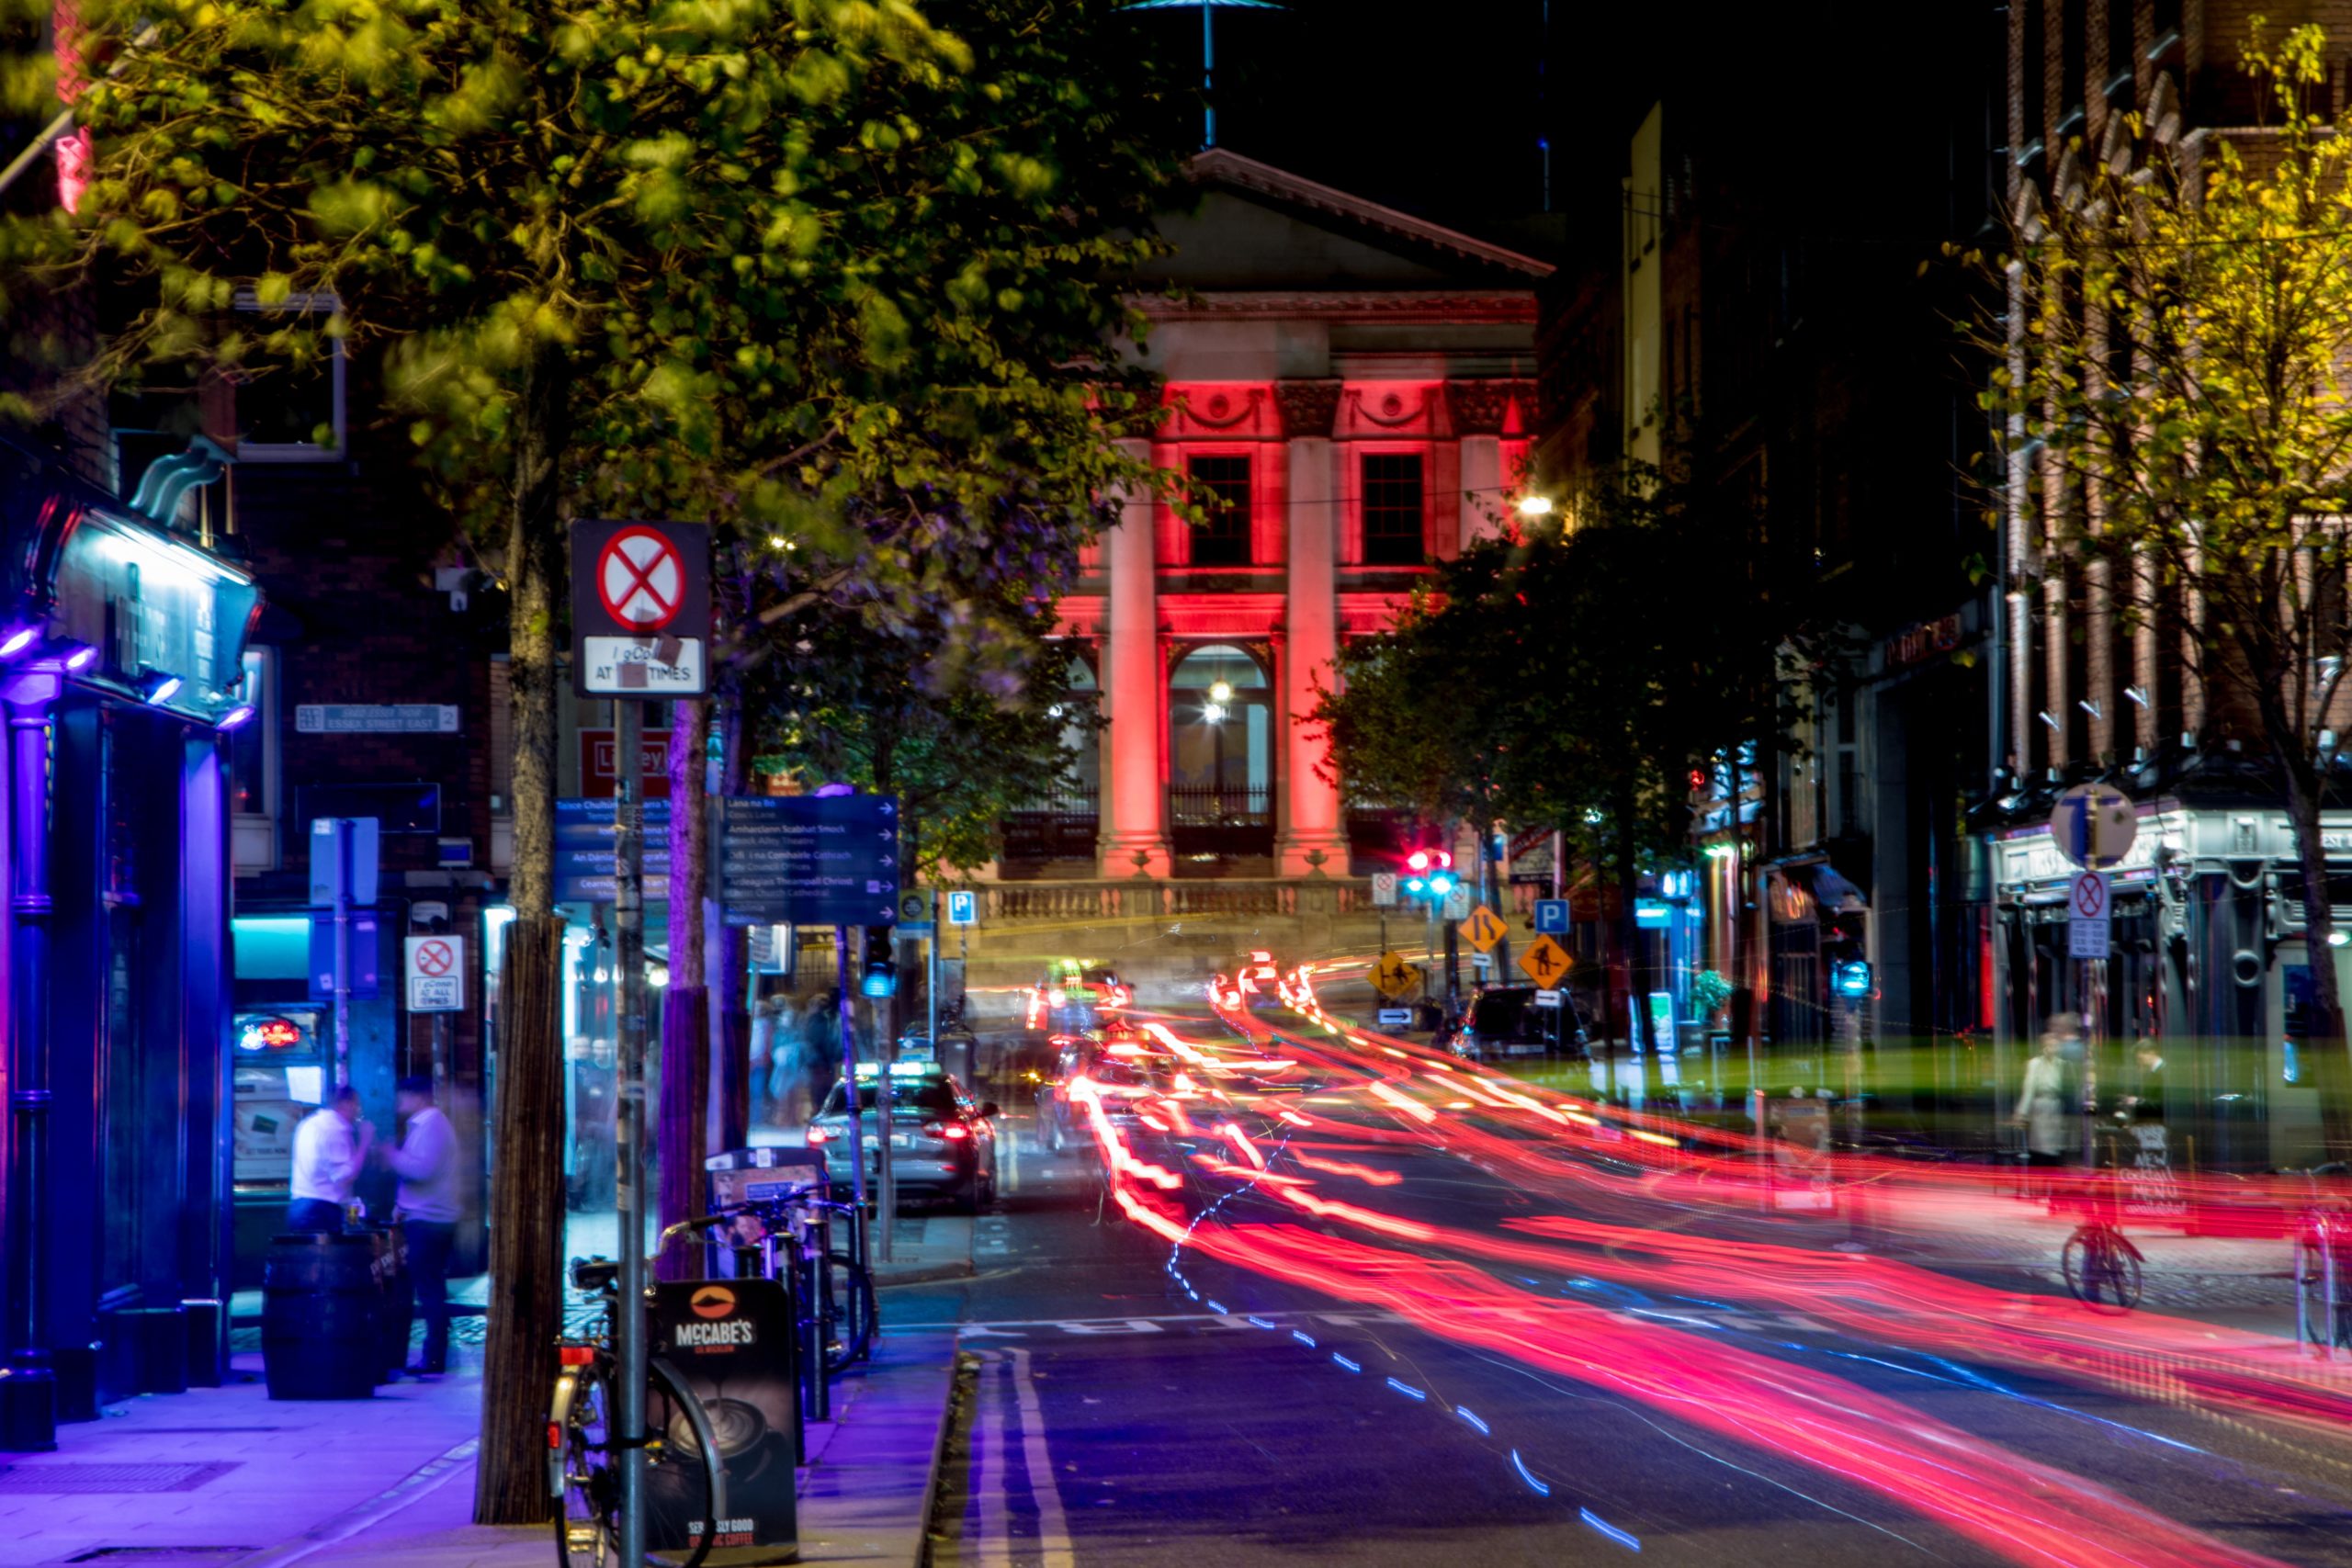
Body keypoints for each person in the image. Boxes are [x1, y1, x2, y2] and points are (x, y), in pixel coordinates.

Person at [381, 1075, 459, 1377]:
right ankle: (434, 1353)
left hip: (430, 1221)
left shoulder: (431, 1125)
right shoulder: (428, 1125)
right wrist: (402, 1206)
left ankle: (435, 1356)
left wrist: (393, 1156)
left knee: (429, 1289)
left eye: (404, 1097)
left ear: (419, 1097)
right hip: (427, 1216)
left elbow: (422, 1170)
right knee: (430, 1287)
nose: (400, 1103)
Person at [288, 1085, 371, 1232]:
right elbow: (344, 1177)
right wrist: (365, 1142)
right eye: (357, 1104)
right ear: (346, 1104)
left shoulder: (310, 1123)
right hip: (320, 1211)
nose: (358, 1110)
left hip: (302, 1208)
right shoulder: (334, 1129)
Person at [2012, 1020, 2081, 1180]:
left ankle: (2053, 1185)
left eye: (2055, 1045)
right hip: (2040, 1110)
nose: (2052, 1048)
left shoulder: (2065, 1065)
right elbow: (2028, 1090)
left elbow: (2072, 1089)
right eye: (2049, 1044)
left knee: (2055, 1150)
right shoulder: (2035, 1064)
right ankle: (2039, 1185)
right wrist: (2022, 1113)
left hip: (2056, 1110)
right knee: (2039, 1149)